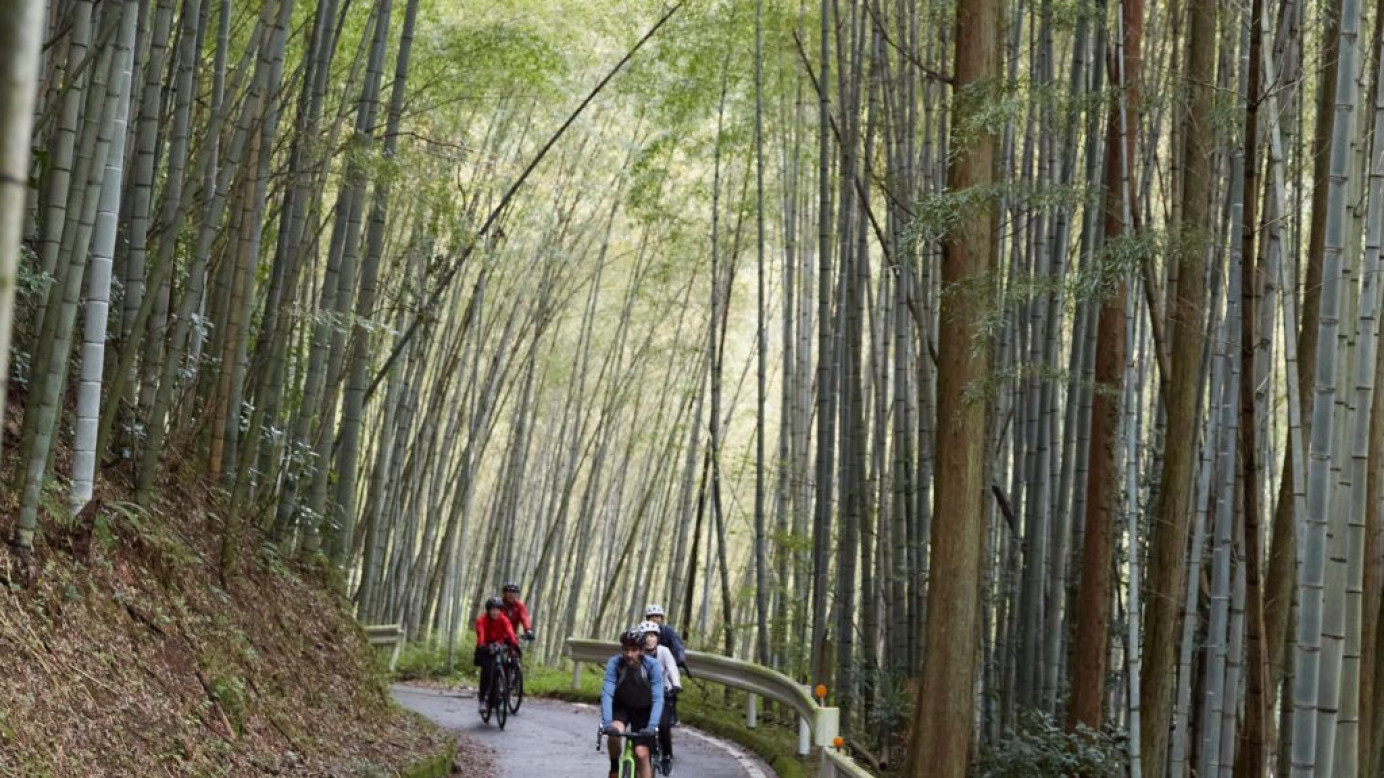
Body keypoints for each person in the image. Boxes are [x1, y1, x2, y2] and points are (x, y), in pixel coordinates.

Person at [601, 628, 664, 778]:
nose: (629, 654)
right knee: (615, 735)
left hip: (644, 710)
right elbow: (608, 693)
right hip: (622, 706)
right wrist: (607, 723)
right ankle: (614, 767)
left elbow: (658, 698)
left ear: (642, 650)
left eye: (634, 650)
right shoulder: (615, 663)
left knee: (641, 754)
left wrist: (652, 726)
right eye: (626, 650)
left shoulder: (652, 666)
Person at [638, 621, 681, 774]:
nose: (649, 639)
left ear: (657, 637)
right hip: (644, 694)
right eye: (646, 636)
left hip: (664, 693)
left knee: (663, 724)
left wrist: (676, 684)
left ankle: (667, 755)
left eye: (652, 635)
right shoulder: (638, 653)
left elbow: (672, 668)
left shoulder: (664, 652)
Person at [474, 596, 519, 716]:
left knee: (503, 664)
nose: (495, 612)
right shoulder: (482, 620)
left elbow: (510, 631)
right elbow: (481, 634)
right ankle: (482, 699)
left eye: (498, 610)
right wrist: (482, 645)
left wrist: (514, 643)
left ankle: (499, 690)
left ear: (501, 610)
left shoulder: (504, 619)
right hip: (485, 646)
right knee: (487, 671)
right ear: (488, 610)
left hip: (499, 644)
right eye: (492, 610)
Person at [643, 605, 687, 671]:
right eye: (652, 617)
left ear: (661, 618)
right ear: (647, 619)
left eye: (657, 617)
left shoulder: (667, 631)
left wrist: (680, 657)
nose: (655, 619)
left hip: (665, 666)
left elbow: (677, 645)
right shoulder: (642, 631)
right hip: (646, 665)